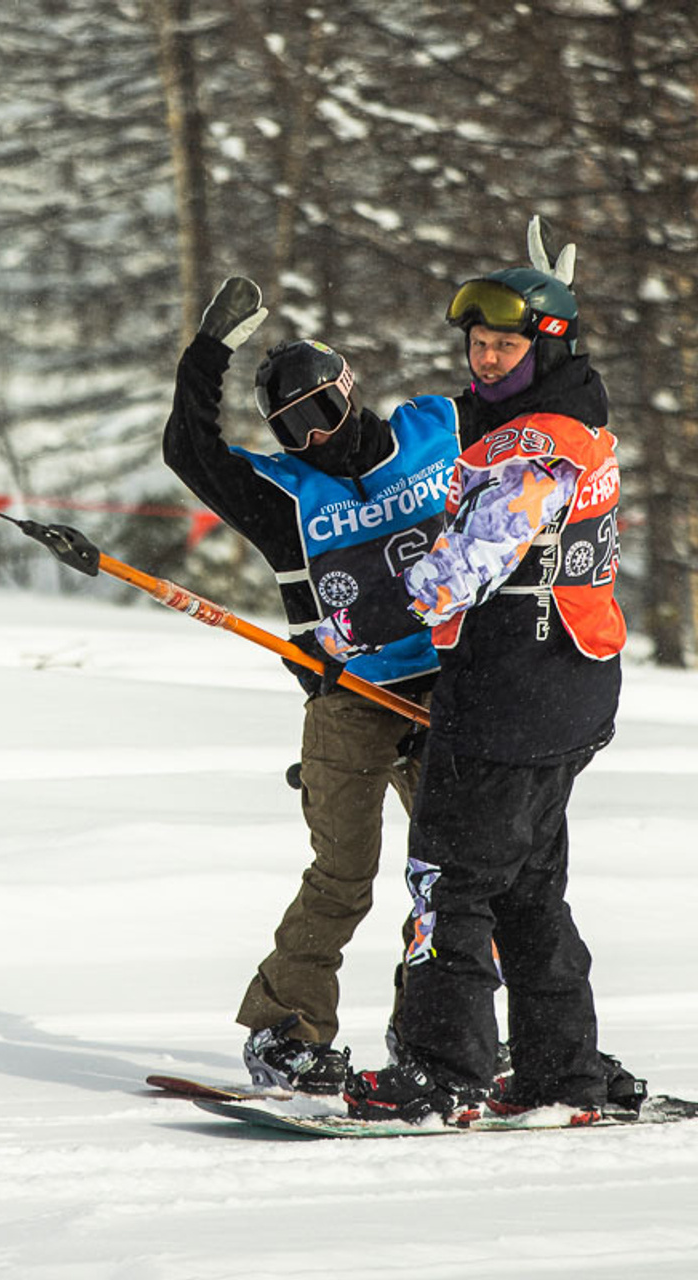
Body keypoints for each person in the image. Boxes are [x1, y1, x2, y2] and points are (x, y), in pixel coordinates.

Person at [314, 230, 632, 1124]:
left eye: (507, 345)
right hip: (566, 690)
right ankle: (559, 1071)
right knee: (529, 888)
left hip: (511, 696)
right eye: (479, 344)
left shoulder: (541, 446)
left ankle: (442, 1070)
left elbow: (471, 563)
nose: (487, 359)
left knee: (447, 884)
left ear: (551, 347)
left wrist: (365, 616)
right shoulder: (572, 419)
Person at [162, 276, 461, 1093]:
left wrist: (551, 326)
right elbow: (191, 452)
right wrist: (209, 352)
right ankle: (285, 1034)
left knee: (462, 877)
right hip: (350, 705)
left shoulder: (436, 433)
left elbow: (532, 415)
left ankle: (440, 1030)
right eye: (291, 426)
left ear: (350, 391)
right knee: (341, 876)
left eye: (323, 411)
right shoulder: (285, 494)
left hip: (454, 692)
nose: (314, 435)